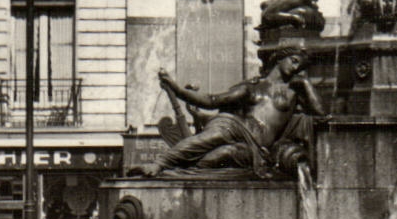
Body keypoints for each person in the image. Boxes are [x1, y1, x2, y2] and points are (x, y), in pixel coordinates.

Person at [135, 44, 325, 180]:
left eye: (300, 65)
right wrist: (176, 88)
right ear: (279, 59)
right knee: (214, 135)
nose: (296, 67)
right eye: (293, 61)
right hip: (234, 127)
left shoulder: (294, 92)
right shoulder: (251, 87)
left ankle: (175, 170)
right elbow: (212, 100)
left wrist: (306, 84)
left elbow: (321, 114)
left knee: (221, 155)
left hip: (255, 149)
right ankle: (159, 164)